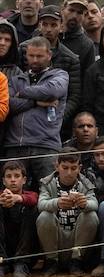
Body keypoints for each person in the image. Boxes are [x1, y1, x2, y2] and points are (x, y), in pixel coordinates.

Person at [9, 36, 69, 185]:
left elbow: (52, 91)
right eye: (31, 55)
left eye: (39, 56)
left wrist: (22, 93)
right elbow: (9, 104)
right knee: (11, 196)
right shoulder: (17, 79)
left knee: (50, 193)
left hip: (46, 146)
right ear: (26, 55)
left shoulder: (60, 75)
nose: (35, 60)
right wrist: (36, 102)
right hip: (15, 146)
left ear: (49, 55)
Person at [36, 148, 98, 275]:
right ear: (57, 166)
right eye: (65, 167)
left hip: (77, 239)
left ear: (79, 168)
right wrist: (57, 203)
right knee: (44, 216)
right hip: (55, 239)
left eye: (73, 168)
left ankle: (76, 261)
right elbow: (41, 204)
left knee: (91, 215)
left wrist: (84, 204)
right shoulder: (47, 182)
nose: (69, 172)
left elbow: (95, 204)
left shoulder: (85, 184)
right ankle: (51, 261)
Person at [0, 159, 38, 277]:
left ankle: (22, 264)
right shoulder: (2, 196)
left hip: (26, 251)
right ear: (3, 181)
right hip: (5, 248)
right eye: (8, 176)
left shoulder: (30, 194)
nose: (13, 180)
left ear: (24, 180)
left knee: (32, 209)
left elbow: (34, 199)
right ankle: (1, 263)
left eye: (17, 176)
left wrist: (17, 198)